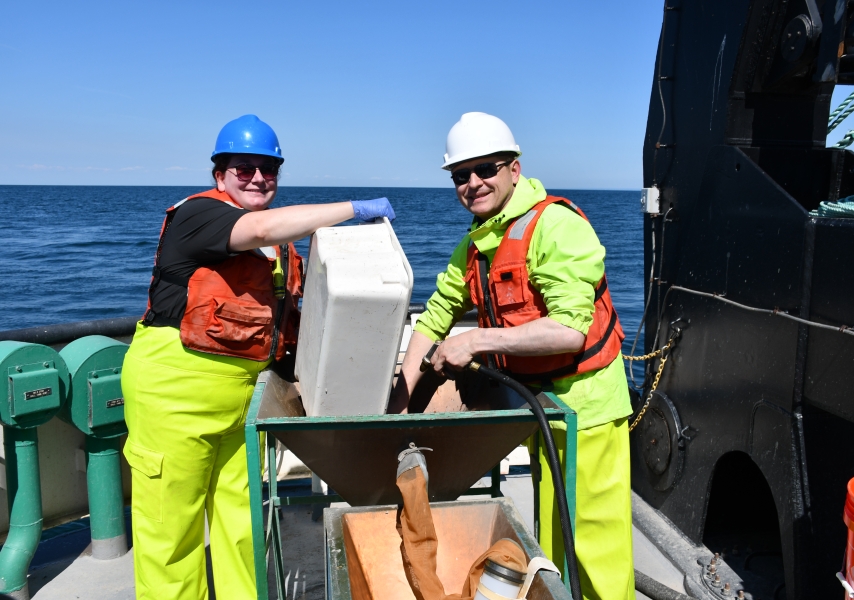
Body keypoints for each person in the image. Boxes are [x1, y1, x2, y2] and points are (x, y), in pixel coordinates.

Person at [121, 114, 395, 600]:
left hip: (243, 404)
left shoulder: (281, 249)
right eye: (243, 168)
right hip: (173, 397)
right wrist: (351, 207)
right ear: (219, 175)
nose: (257, 178)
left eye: (268, 170)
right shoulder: (200, 215)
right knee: (171, 536)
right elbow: (260, 226)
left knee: (242, 528)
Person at [389, 112, 634, 600]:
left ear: (514, 169)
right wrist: (395, 408)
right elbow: (435, 316)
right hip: (539, 410)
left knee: (596, 548)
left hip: (588, 411)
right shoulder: (476, 243)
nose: (474, 183)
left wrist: (475, 341)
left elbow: (568, 330)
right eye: (462, 175)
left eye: (486, 169)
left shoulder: (555, 226)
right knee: (554, 542)